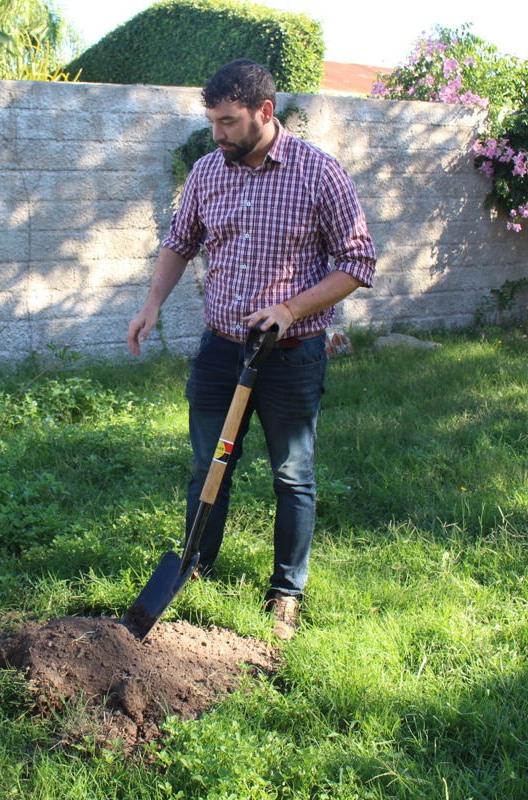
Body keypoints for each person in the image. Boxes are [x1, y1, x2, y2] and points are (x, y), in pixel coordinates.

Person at [127, 59, 376, 641]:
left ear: (265, 111)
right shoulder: (207, 172)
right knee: (208, 466)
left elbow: (358, 261)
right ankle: (195, 567)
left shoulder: (318, 173)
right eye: (212, 122)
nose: (217, 134)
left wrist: (289, 310)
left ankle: (286, 592)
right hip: (220, 350)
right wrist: (152, 303)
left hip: (291, 354)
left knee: (292, 474)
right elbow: (180, 242)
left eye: (229, 122)